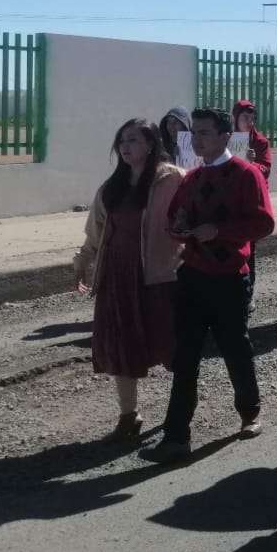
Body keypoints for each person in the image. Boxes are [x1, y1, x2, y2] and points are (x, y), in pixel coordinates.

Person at [143, 108, 274, 463]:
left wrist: (220, 231)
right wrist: (180, 227)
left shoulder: (246, 175)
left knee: (235, 347)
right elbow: (174, 219)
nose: (196, 139)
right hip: (192, 276)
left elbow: (263, 223)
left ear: (224, 136)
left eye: (203, 133)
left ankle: (250, 412)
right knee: (185, 354)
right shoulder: (192, 177)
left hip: (231, 277)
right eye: (194, 133)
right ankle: (176, 436)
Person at [73, 119, 183, 442]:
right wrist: (82, 261)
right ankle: (128, 415)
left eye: (133, 140)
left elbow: (190, 217)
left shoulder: (172, 180)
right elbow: (96, 231)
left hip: (159, 277)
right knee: (122, 345)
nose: (125, 146)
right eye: (121, 140)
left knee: (171, 344)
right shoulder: (111, 188)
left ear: (150, 144)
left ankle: (179, 410)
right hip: (118, 277)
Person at [232, 100, 273, 296]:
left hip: (251, 200)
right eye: (244, 117)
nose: (249, 121)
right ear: (235, 118)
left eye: (252, 118)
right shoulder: (226, 139)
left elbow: (265, 170)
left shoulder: (261, 142)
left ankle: (248, 293)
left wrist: (252, 163)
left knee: (249, 247)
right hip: (230, 199)